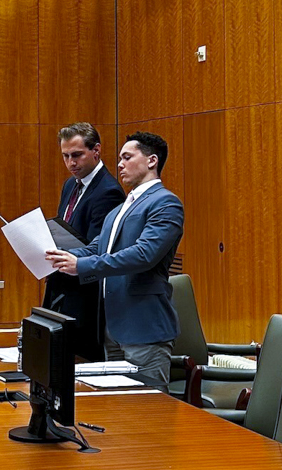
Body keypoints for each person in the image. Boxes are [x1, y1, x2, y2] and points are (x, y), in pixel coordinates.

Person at [46, 132, 184, 391]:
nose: (119, 164)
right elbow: (98, 247)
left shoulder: (165, 203)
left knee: (149, 413)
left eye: (127, 157)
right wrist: (64, 257)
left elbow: (144, 254)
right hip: (112, 329)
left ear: (152, 160)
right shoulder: (119, 209)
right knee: (118, 411)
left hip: (144, 328)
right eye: (119, 159)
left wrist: (83, 266)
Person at [42, 123, 125, 361]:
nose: (71, 163)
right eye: (65, 156)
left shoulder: (109, 191)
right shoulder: (70, 185)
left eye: (77, 155)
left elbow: (98, 248)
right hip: (61, 284)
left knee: (78, 361)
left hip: (85, 293)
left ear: (96, 150)